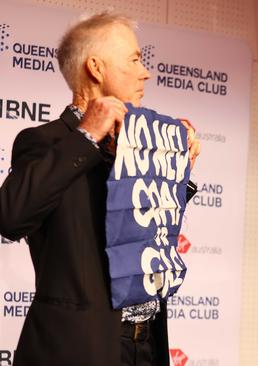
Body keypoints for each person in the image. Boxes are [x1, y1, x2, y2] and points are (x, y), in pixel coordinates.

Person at [0, 12, 200, 366]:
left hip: (146, 346)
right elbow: (11, 217)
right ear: (96, 67)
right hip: (78, 349)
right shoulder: (44, 142)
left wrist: (178, 173)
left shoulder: (138, 146)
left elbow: (141, 239)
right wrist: (86, 137)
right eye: (135, 59)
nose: (146, 72)